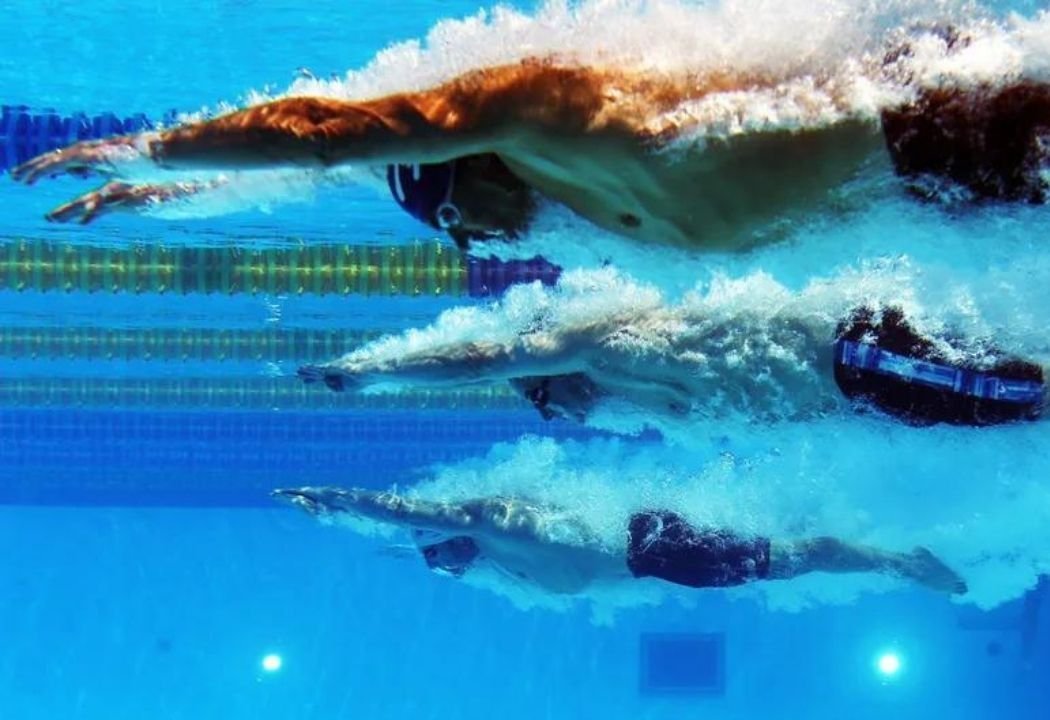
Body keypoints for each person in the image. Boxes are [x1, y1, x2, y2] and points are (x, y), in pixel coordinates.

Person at [11, 28, 1050, 252]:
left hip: (939, 113)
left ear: (458, 165)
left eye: (458, 221)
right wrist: (161, 203)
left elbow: (326, 140)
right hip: (937, 192)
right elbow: (322, 180)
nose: (481, 240)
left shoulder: (546, 114)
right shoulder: (555, 203)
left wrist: (139, 151)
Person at [297, 299, 1045, 428]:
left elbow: (480, 358)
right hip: (868, 391)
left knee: (1031, 393)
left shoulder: (594, 342)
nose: (558, 418)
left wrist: (373, 371)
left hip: (863, 356)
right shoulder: (638, 399)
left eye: (541, 403)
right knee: (1027, 408)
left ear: (544, 374)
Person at [272, 485, 968, 596]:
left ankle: (905, 563)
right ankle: (896, 559)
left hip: (658, 550)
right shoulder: (505, 559)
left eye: (437, 556)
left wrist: (335, 501)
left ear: (447, 538)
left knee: (797, 559)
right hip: (654, 554)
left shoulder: (491, 523)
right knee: (791, 561)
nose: (446, 567)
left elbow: (404, 509)